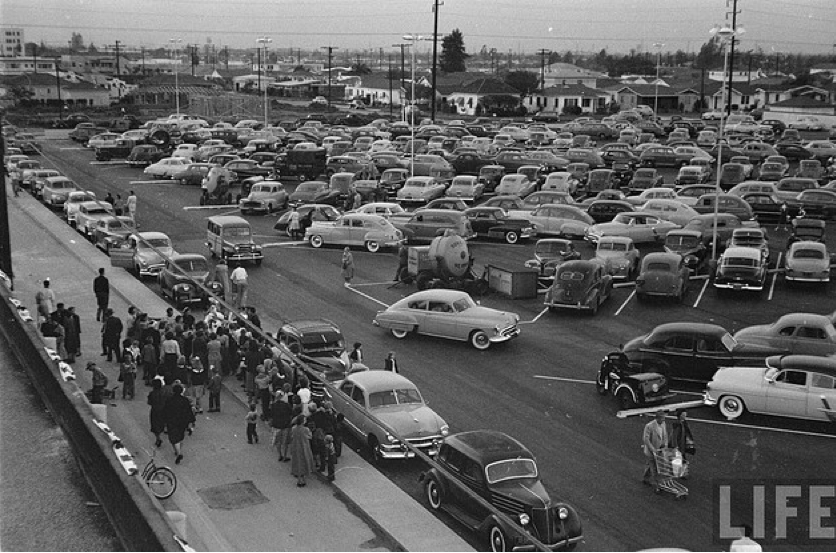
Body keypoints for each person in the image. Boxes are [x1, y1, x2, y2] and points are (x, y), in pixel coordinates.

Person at [163, 383, 195, 464]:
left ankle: (178, 453)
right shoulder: (184, 400)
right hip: (182, 421)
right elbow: (189, 411)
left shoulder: (169, 400)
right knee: (180, 436)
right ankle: (178, 450)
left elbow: (165, 410)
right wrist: (191, 421)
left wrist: (164, 420)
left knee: (173, 437)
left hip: (172, 421)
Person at [642, 410, 669, 492]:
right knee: (655, 468)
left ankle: (646, 478)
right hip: (651, 451)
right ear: (657, 418)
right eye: (662, 419)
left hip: (660, 450)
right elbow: (646, 439)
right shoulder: (649, 426)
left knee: (651, 466)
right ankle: (658, 485)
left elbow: (665, 435)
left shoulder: (663, 424)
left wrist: (665, 444)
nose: (663, 420)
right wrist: (653, 450)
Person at [289, 414, 315, 487]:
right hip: (304, 447)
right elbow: (310, 437)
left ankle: (300, 478)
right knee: (304, 461)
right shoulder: (305, 429)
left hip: (296, 446)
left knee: (297, 462)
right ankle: (301, 478)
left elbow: (292, 436)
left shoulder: (294, 428)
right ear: (302, 421)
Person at [270, 391, 293, 462]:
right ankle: (285, 456)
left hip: (276, 426)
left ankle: (280, 455)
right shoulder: (286, 405)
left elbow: (271, 415)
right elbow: (291, 413)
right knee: (285, 442)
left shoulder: (273, 405)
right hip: (285, 426)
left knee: (278, 442)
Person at [147, 377, 168, 447]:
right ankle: (165, 428)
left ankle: (158, 438)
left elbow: (149, 402)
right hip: (164, 410)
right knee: (163, 421)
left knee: (155, 425)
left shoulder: (152, 393)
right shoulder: (164, 392)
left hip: (155, 410)